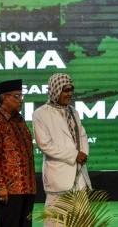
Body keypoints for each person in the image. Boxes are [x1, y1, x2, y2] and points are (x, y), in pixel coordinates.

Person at [32, 73, 91, 226]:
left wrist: (83, 154)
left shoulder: (73, 112)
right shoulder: (40, 114)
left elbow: (82, 135)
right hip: (58, 175)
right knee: (56, 222)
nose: (70, 94)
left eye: (71, 90)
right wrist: (74, 155)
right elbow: (45, 145)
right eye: (65, 90)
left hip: (79, 174)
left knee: (82, 221)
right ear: (55, 90)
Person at [0, 79, 36, 227]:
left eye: (22, 97)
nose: (21, 101)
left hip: (27, 187)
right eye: (17, 96)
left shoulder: (19, 120)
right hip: (9, 190)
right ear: (4, 98)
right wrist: (0, 186)